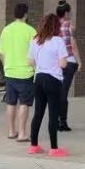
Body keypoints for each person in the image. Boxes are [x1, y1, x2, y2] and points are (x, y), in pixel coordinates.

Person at [26, 13, 69, 156]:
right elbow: (63, 64)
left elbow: (30, 61)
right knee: (53, 114)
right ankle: (54, 148)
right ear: (56, 26)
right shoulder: (58, 41)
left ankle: (33, 146)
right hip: (53, 79)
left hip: (38, 78)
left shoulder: (36, 40)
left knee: (38, 113)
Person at [0, 3, 36, 142]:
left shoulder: (6, 30)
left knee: (11, 103)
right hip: (25, 73)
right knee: (24, 103)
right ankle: (22, 133)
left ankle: (11, 131)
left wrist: (6, 67)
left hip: (9, 71)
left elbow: (2, 52)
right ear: (26, 14)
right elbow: (34, 53)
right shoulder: (31, 31)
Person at [56, 0, 82, 132]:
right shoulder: (69, 26)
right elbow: (73, 45)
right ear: (66, 13)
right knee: (63, 92)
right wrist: (79, 62)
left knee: (56, 92)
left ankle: (55, 120)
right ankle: (63, 122)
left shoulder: (52, 26)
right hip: (69, 61)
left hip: (55, 63)